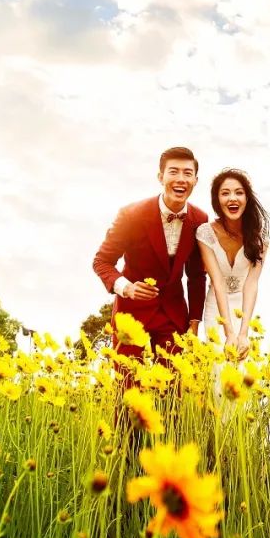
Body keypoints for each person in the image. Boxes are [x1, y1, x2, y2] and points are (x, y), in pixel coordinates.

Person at [93, 147, 208, 382]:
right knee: (127, 388)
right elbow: (102, 261)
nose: (181, 179)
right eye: (173, 172)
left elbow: (197, 275)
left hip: (174, 314)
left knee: (171, 390)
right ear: (160, 177)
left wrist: (195, 320)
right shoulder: (130, 215)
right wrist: (127, 287)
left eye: (188, 173)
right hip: (131, 312)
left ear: (195, 180)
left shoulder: (200, 219)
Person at [196, 168, 270, 359]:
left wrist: (243, 333)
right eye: (225, 193)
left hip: (246, 307)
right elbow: (218, 282)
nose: (232, 198)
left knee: (250, 364)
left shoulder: (259, 239)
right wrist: (229, 332)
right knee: (220, 363)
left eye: (239, 192)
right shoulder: (205, 233)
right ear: (217, 200)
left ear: (247, 198)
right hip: (216, 306)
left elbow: (251, 284)